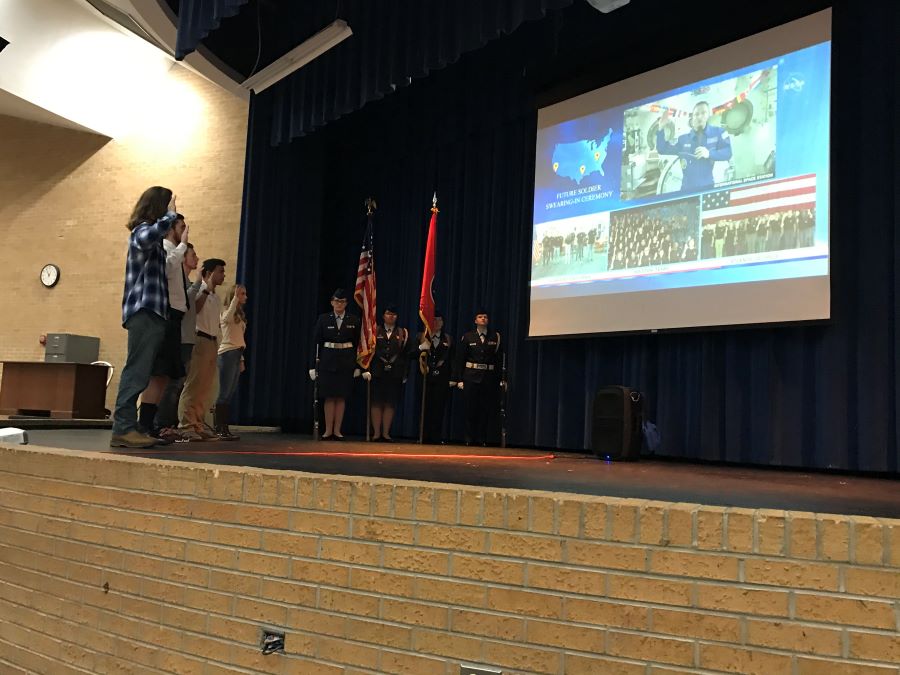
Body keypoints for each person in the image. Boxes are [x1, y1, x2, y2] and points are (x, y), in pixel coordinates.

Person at [110, 186, 178, 449]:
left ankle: (130, 427)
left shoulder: (156, 239)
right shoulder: (141, 231)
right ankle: (123, 428)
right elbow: (148, 235)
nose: (171, 208)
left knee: (143, 371)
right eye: (168, 204)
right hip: (144, 310)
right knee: (137, 371)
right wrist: (170, 217)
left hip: (154, 312)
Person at [136, 213, 190, 444]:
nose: (185, 230)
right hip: (165, 313)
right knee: (157, 371)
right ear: (171, 228)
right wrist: (184, 246)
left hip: (175, 316)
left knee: (165, 374)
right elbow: (167, 270)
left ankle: (150, 424)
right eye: (182, 226)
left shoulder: (173, 251)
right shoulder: (166, 249)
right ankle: (144, 424)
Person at [178, 258, 226, 441]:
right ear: (209, 272)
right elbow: (194, 310)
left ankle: (198, 423)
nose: (223, 275)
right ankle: (186, 425)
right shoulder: (198, 290)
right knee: (194, 384)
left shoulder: (216, 297)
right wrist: (205, 288)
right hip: (200, 339)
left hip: (212, 341)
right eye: (220, 271)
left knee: (206, 386)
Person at [154, 243, 200, 432]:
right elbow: (185, 301)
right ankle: (162, 424)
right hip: (178, 338)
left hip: (188, 338)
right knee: (171, 385)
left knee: (179, 385)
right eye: (193, 255)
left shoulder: (187, 283)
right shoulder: (179, 281)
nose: (196, 258)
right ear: (183, 258)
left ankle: (170, 424)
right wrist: (199, 283)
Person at [309, 289, 360, 440]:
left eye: (342, 301)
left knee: (341, 396)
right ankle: (328, 430)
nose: (339, 304)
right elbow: (316, 342)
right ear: (332, 302)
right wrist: (312, 366)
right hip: (328, 361)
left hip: (346, 361)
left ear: (346, 304)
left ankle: (337, 430)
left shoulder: (353, 320)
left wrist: (358, 366)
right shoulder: (324, 319)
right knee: (329, 396)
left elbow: (358, 344)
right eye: (337, 301)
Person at [656, 101, 732, 193]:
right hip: (686, 191)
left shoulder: (717, 133)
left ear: (708, 115)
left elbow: (728, 152)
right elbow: (662, 149)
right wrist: (660, 129)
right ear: (692, 118)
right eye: (696, 114)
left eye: (703, 113)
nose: (700, 117)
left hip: (707, 189)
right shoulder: (682, 139)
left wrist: (709, 153)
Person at [362, 304, 412, 441]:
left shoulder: (403, 333)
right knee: (376, 402)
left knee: (390, 403)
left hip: (395, 372)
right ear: (383, 316)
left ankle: (385, 433)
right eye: (388, 314)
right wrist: (365, 369)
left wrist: (405, 374)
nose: (391, 316)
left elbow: (406, 355)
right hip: (377, 371)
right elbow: (368, 352)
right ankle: (376, 433)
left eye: (394, 314)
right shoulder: (375, 331)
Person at [454, 308, 504, 446]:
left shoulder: (495, 337)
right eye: (480, 317)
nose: (483, 319)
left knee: (485, 409)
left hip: (488, 377)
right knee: (470, 408)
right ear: (475, 321)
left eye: (485, 317)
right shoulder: (468, 337)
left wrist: (501, 378)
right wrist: (459, 379)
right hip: (471, 376)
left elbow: (498, 360)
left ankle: (482, 438)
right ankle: (469, 438)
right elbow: (460, 359)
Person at [215, 284, 248, 441]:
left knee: (230, 393)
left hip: (236, 353)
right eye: (242, 294)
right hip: (227, 353)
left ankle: (224, 428)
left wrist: (242, 359)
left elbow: (240, 339)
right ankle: (219, 429)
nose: (245, 297)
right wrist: (234, 298)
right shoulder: (226, 311)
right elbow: (226, 319)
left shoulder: (239, 315)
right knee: (224, 392)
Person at [417, 309, 454, 444]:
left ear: (443, 323)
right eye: (434, 320)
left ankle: (436, 437)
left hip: (441, 379)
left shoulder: (448, 339)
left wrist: (453, 378)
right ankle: (423, 436)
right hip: (425, 377)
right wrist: (421, 347)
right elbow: (411, 354)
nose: (436, 322)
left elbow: (452, 360)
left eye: (439, 320)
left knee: (438, 408)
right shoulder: (422, 337)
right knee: (424, 407)